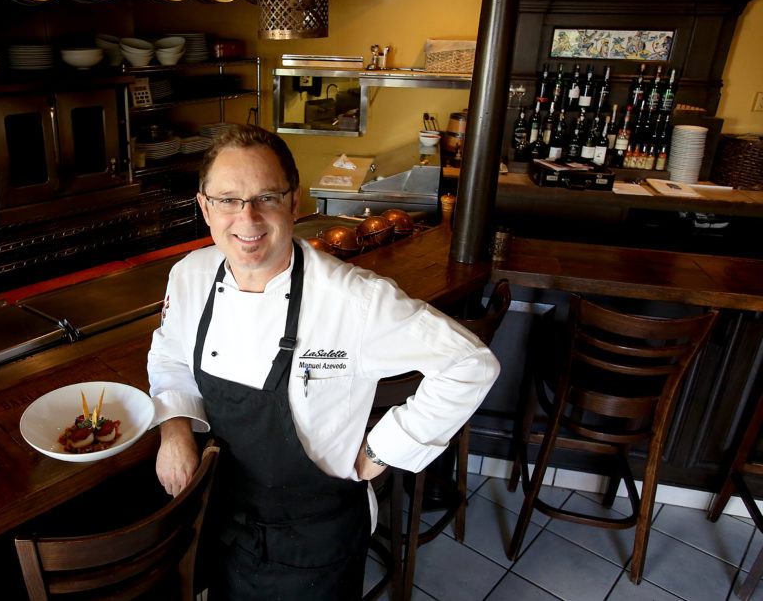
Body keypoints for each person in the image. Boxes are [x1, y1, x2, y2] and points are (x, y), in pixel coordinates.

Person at [147, 125, 499, 600]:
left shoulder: (353, 298)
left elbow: (470, 364)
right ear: (204, 206)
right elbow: (169, 351)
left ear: (294, 203)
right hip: (225, 519)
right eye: (228, 199)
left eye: (266, 197)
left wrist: (383, 451)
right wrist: (174, 428)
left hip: (316, 539)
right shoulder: (189, 276)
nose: (246, 217)